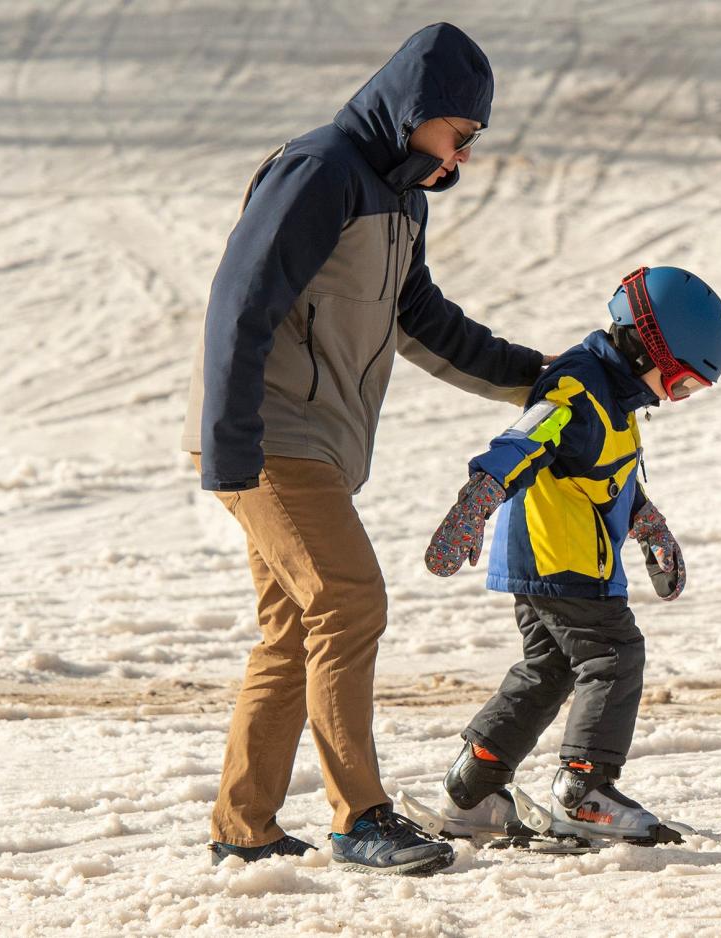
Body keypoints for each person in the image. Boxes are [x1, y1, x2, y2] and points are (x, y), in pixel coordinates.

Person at [180, 23, 547, 875]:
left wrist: (534, 376)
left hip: (316, 445)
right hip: (267, 437)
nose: (462, 157)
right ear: (422, 110)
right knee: (350, 601)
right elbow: (243, 300)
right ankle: (361, 818)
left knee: (294, 629)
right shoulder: (320, 172)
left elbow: (425, 322)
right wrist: (230, 446)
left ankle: (245, 827)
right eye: (460, 136)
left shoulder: (399, 198)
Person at [424, 265, 721, 844]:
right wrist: (477, 499)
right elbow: (525, 441)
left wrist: (649, 525)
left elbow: (604, 474)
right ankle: (584, 792)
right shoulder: (576, 387)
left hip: (554, 561)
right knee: (615, 653)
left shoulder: (613, 393)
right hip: (562, 560)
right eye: (682, 384)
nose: (680, 399)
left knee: (549, 669)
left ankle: (471, 791)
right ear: (651, 348)